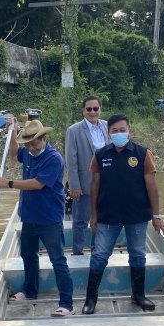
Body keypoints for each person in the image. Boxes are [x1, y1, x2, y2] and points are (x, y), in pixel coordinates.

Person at [82, 114, 164, 315]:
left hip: (136, 216)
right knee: (99, 255)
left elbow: (152, 186)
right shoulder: (101, 155)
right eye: (114, 131)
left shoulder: (142, 154)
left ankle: (138, 295)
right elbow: (94, 185)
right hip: (107, 217)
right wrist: (93, 214)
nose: (119, 134)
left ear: (130, 131)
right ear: (108, 133)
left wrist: (156, 216)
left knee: (138, 255)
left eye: (122, 130)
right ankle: (90, 299)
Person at [0, 119, 74, 316]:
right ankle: (30, 291)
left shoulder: (54, 158)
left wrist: (9, 183)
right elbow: (14, 155)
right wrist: (13, 133)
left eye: (34, 143)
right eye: (28, 144)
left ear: (44, 138)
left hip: (49, 219)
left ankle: (67, 304)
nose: (31, 147)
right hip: (29, 216)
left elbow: (38, 184)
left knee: (57, 260)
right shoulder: (29, 153)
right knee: (28, 256)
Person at [65, 95, 110, 255]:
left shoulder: (107, 126)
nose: (92, 112)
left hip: (106, 183)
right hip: (84, 184)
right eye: (89, 109)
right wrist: (74, 185)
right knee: (80, 221)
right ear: (83, 111)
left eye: (95, 109)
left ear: (100, 109)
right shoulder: (74, 130)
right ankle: (77, 251)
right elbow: (71, 161)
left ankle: (96, 249)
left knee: (102, 219)